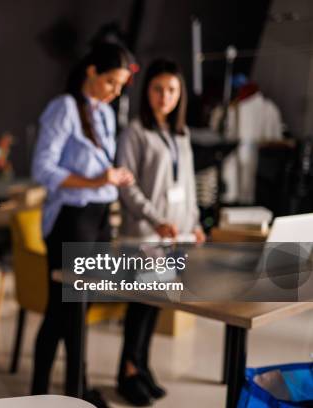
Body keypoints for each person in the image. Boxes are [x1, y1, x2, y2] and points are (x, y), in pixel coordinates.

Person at [31, 42, 135, 407]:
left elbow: (101, 165)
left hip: (100, 217)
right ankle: (67, 390)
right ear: (91, 72)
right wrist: (95, 181)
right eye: (111, 81)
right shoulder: (63, 108)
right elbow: (43, 169)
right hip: (71, 220)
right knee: (66, 309)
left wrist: (112, 177)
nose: (115, 91)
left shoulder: (105, 113)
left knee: (78, 306)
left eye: (121, 85)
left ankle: (65, 386)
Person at [115, 58, 205, 406]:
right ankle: (127, 372)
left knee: (155, 306)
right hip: (144, 235)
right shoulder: (135, 132)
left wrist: (195, 224)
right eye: (157, 89)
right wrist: (155, 219)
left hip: (175, 236)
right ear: (147, 91)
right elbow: (127, 187)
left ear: (180, 94)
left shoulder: (180, 133)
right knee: (140, 307)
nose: (164, 96)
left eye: (171, 90)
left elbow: (189, 186)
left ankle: (142, 366)